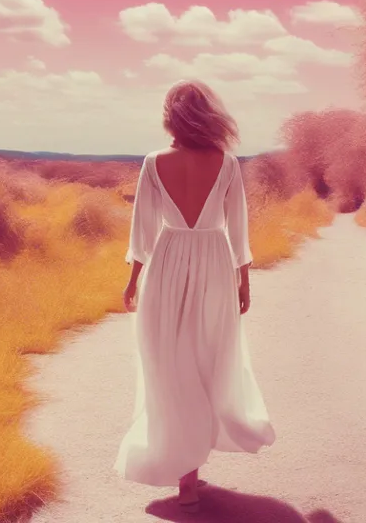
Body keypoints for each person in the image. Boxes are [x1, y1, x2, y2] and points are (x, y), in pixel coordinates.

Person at [114, 79, 276, 513]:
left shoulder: (153, 162)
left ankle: (187, 474)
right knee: (207, 360)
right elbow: (238, 227)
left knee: (168, 364)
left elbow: (143, 230)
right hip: (214, 264)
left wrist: (133, 281)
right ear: (208, 115)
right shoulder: (226, 163)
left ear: (170, 115)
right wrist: (244, 280)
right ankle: (191, 469)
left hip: (166, 264)